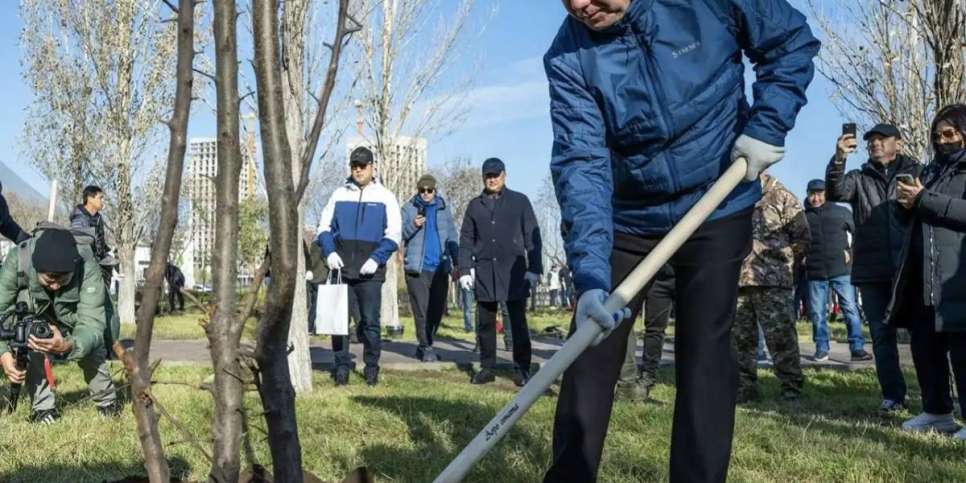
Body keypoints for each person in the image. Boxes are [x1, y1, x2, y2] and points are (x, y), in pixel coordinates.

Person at [544, 1, 819, 481]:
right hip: (629, 215)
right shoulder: (569, 55)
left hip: (716, 199)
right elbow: (581, 161)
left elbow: (789, 39)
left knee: (705, 350)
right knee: (591, 347)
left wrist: (768, 122)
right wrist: (589, 276)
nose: (580, 5)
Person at [825, 122, 920, 412]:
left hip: (911, 267)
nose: (875, 143)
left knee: (923, 334)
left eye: (882, 139)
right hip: (872, 270)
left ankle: (935, 399)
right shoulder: (859, 177)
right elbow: (836, 192)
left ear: (898, 143)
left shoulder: (917, 172)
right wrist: (839, 158)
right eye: (871, 140)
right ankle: (893, 396)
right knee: (881, 335)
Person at [891, 104, 966, 439]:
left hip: (958, 276)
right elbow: (915, 217)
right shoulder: (931, 170)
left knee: (963, 351)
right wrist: (906, 205)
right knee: (926, 348)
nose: (942, 141)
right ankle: (937, 412)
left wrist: (924, 200)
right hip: (924, 275)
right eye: (937, 136)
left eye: (949, 134)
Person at [0, 227, 120, 423]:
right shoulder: (17, 260)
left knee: (91, 345)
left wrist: (69, 345)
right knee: (32, 339)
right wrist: (4, 354)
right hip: (33, 312)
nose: (55, 285)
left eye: (63, 278)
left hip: (75, 316)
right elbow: (1, 310)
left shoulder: (87, 266)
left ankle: (106, 402)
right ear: (36, 268)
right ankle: (43, 409)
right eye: (49, 279)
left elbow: (92, 324)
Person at [316, 146, 401, 386]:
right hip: (342, 270)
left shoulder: (385, 196)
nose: (358, 170)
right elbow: (323, 227)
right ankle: (341, 367)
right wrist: (330, 252)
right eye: (354, 165)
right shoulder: (338, 194)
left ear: (372, 167)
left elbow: (394, 234)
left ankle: (371, 368)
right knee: (339, 322)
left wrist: (376, 258)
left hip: (370, 273)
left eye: (362, 166)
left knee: (370, 322)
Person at [458, 157, 542, 387]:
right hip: (485, 270)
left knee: (517, 323)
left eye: (496, 175)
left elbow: (532, 235)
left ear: (504, 175)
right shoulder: (474, 206)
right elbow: (466, 239)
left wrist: (535, 268)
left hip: (514, 271)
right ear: (483, 177)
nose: (492, 179)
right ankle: (487, 368)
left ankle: (522, 368)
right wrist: (464, 269)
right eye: (488, 176)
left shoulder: (520, 201)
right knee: (485, 323)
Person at [732, 174, 809, 403]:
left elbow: (803, 238)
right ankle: (744, 389)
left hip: (773, 282)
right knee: (740, 340)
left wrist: (780, 260)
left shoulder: (782, 196)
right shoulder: (735, 196)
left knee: (781, 338)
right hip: (740, 281)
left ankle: (791, 388)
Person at [802, 179, 871, 362]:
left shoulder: (841, 211)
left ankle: (857, 348)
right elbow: (795, 239)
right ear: (807, 195)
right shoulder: (803, 217)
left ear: (826, 193)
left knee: (850, 309)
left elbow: (859, 233)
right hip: (815, 272)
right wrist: (801, 256)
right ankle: (821, 349)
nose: (816, 198)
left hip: (842, 270)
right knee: (817, 313)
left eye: (819, 194)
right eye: (812, 194)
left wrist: (851, 253)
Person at [401, 174, 459, 362]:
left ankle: (426, 344)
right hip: (417, 268)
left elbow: (452, 237)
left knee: (436, 310)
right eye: (422, 190)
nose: (426, 193)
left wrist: (457, 263)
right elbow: (399, 233)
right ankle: (426, 347)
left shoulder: (444, 209)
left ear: (435, 190)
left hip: (440, 268)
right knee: (421, 311)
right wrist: (413, 225)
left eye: (429, 190)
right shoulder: (408, 208)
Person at [615, 264, 675, 402]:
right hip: (655, 273)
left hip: (682, 272)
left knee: (686, 331)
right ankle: (644, 378)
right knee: (652, 328)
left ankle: (647, 377)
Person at [70, 185, 119, 352]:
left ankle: (106, 347)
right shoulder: (79, 220)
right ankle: (105, 347)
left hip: (101, 268)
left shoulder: (97, 217)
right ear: (90, 198)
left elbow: (100, 244)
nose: (103, 201)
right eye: (100, 197)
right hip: (88, 273)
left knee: (106, 309)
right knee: (103, 309)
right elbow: (81, 248)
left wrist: (109, 257)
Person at [304, 237, 328, 335]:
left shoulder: (313, 245)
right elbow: (327, 261)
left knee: (314, 303)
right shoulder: (324, 245)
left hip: (312, 278)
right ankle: (312, 327)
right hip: (320, 277)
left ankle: (311, 326)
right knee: (318, 304)